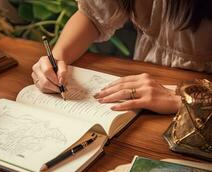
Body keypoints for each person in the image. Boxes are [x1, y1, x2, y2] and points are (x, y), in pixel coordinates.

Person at [31, 0, 212, 114]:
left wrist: (179, 98)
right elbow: (93, 16)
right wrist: (58, 57)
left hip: (199, 110)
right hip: (145, 84)